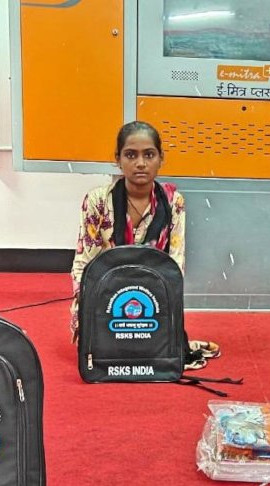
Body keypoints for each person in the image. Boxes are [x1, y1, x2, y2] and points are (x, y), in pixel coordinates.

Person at [69, 121, 217, 364]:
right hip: (104, 298)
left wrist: (159, 306)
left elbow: (175, 265)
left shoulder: (174, 202)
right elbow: (84, 263)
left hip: (153, 298)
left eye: (149, 155)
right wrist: (89, 308)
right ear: (118, 160)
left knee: (158, 349)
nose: (140, 163)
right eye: (130, 155)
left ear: (161, 159)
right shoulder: (97, 200)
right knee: (104, 352)